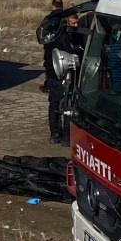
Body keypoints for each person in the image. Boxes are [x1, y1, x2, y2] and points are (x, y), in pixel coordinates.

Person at [46, 12, 80, 145]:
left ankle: (55, 133)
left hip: (53, 75)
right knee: (65, 106)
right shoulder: (64, 38)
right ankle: (65, 136)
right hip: (61, 76)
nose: (76, 26)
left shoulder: (51, 36)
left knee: (54, 105)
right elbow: (71, 55)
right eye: (73, 23)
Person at [37, 0, 65, 90]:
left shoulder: (49, 18)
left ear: (52, 6)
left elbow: (41, 30)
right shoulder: (65, 17)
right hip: (63, 44)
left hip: (50, 44)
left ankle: (49, 85)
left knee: (50, 65)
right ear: (62, 6)